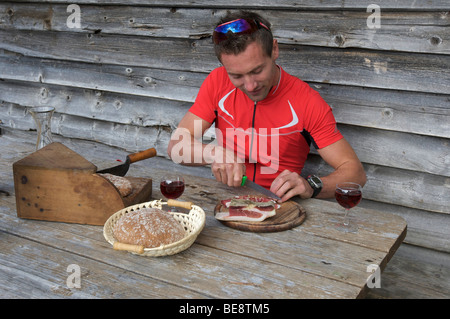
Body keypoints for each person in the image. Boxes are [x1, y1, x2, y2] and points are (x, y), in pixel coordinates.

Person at [167, 11, 366, 202]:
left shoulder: (308, 101)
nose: (250, 85)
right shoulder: (217, 81)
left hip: (279, 208)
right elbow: (176, 147)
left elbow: (355, 173)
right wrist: (215, 153)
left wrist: (310, 185)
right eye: (236, 76)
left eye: (257, 70)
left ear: (275, 50)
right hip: (223, 199)